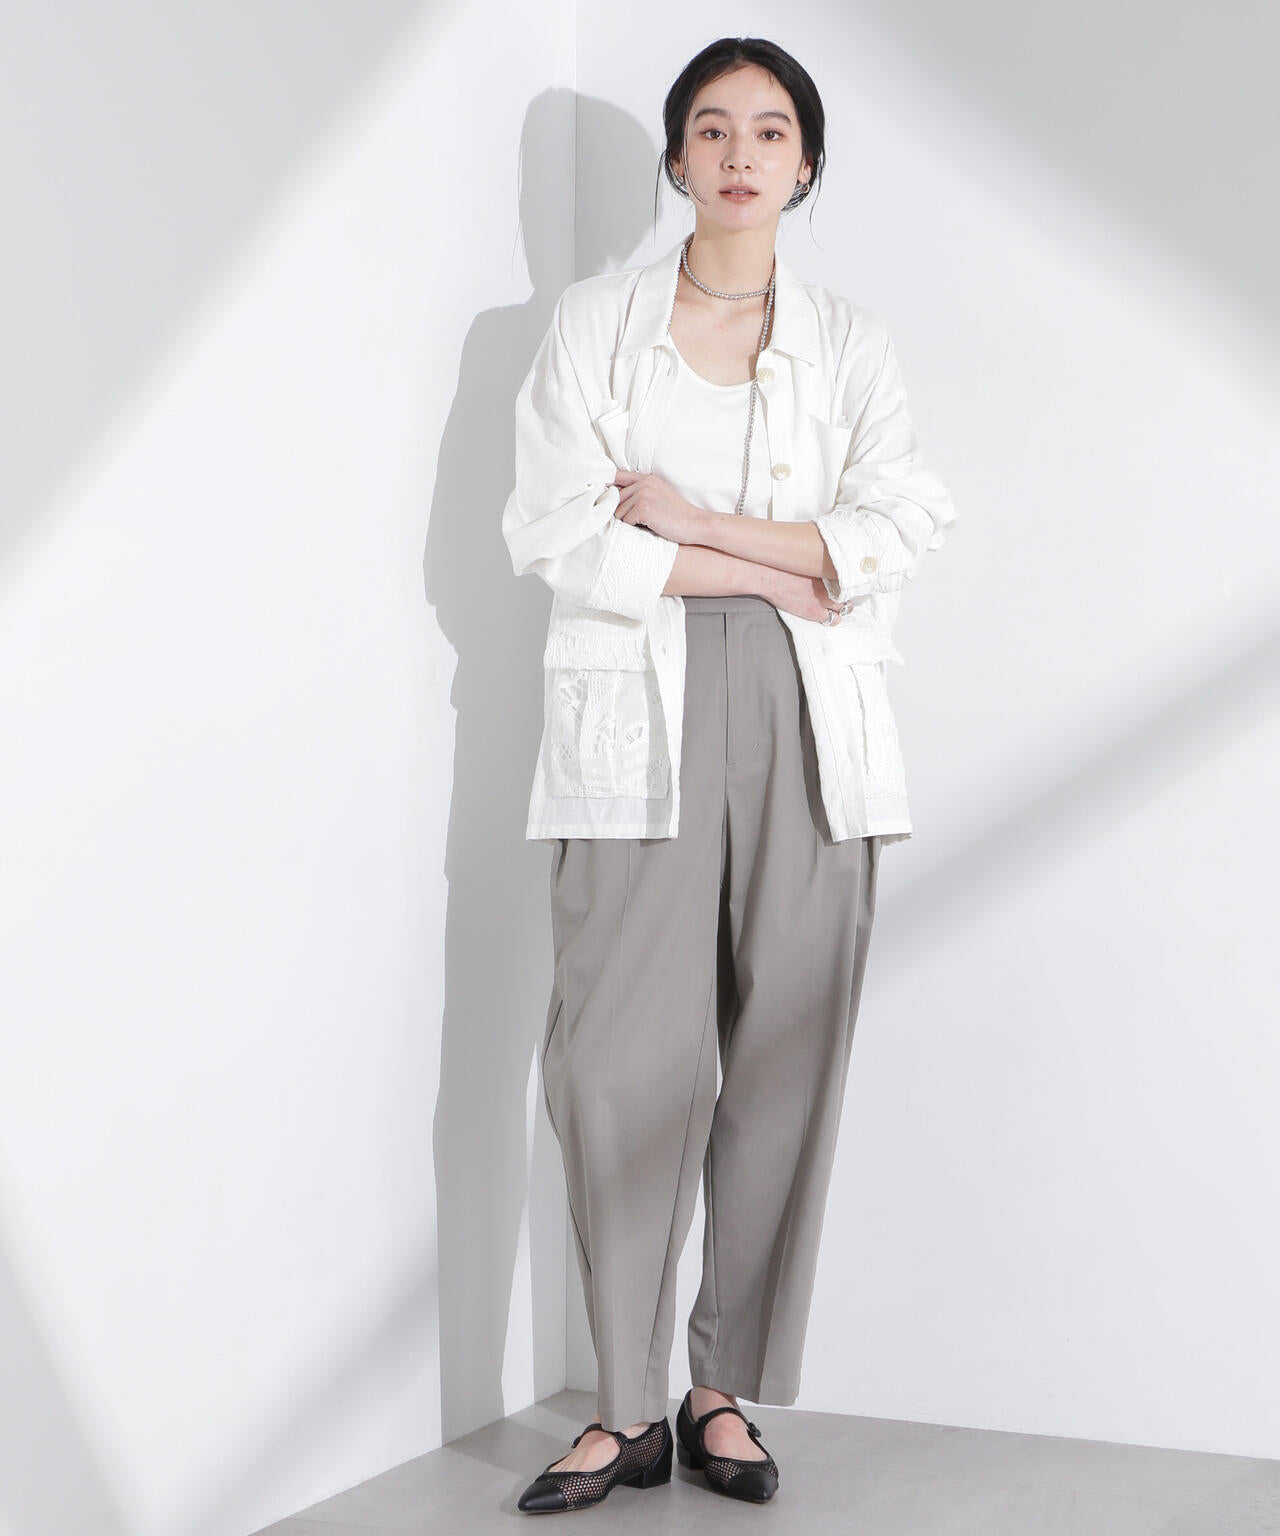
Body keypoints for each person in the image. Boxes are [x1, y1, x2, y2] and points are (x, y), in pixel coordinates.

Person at [501, 36, 957, 1514]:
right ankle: (622, 1407)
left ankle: (717, 1389)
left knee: (781, 1062)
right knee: (614, 1064)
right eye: (712, 128)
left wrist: (696, 525)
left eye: (770, 131)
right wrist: (772, 563)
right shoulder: (593, 325)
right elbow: (555, 529)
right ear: (677, 157)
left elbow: (897, 524)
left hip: (811, 718)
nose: (741, 154)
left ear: (806, 164)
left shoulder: (853, 341)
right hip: (635, 710)